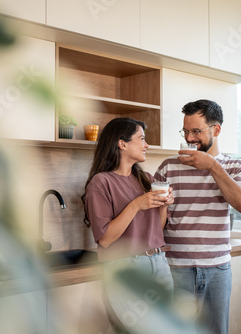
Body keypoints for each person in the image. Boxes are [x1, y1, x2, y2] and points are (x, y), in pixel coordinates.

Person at [154, 99, 241, 334]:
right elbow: (155, 223)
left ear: (216, 130)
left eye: (197, 131)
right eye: (186, 131)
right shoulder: (168, 167)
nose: (189, 138)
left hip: (218, 268)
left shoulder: (235, 166)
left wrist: (213, 166)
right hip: (176, 268)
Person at [82, 117, 175, 333]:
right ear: (122, 144)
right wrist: (136, 205)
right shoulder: (101, 182)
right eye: (141, 139)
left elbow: (156, 230)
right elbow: (105, 238)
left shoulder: (146, 179)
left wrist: (164, 205)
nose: (147, 145)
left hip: (159, 262)